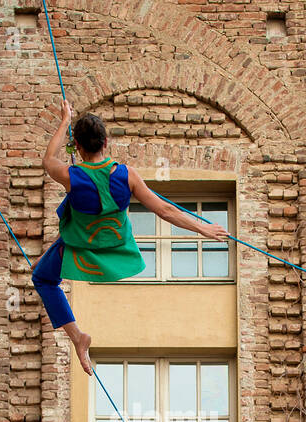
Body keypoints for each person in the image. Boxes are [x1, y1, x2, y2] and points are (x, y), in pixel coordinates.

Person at [33, 100, 230, 375]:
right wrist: (204, 229)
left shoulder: (70, 176)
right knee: (67, 232)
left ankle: (78, 336)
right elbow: (165, 210)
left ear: (76, 146)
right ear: (105, 143)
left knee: (42, 278)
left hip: (79, 248)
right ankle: (52, 261)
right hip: (115, 249)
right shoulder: (127, 176)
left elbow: (47, 160)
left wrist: (64, 121)